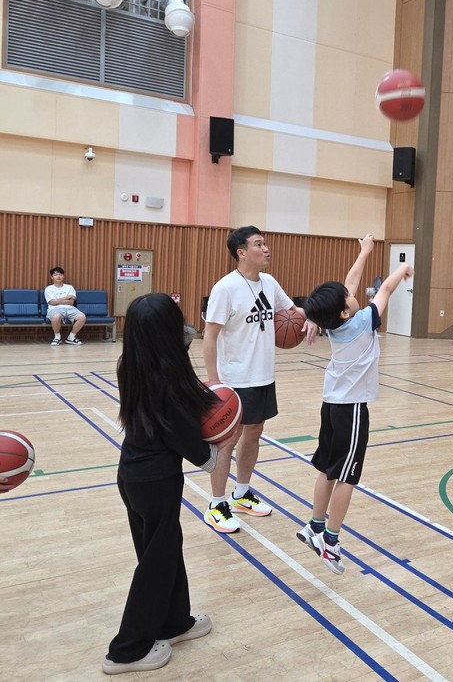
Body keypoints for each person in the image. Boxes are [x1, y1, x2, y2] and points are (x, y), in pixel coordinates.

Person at [104, 293, 239, 675]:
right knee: (156, 563)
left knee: (163, 550)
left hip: (132, 475)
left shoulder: (130, 364)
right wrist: (220, 447)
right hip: (157, 481)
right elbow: (192, 444)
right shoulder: (168, 380)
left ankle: (174, 621)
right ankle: (127, 651)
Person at [297, 234, 413, 574]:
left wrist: (364, 252)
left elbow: (350, 283)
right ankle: (331, 541)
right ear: (345, 310)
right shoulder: (363, 321)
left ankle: (315, 525)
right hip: (352, 410)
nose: (353, 292)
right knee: (347, 477)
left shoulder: (336, 324)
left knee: (327, 469)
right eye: (349, 296)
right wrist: (402, 269)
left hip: (331, 405)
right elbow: (386, 289)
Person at [202, 226, 315, 533]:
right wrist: (214, 382)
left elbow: (292, 311)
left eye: (265, 243)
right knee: (227, 441)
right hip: (235, 379)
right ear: (241, 252)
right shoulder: (225, 288)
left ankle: (241, 493)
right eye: (258, 244)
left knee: (254, 433)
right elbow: (209, 337)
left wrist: (311, 317)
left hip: (263, 376)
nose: (266, 249)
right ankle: (216, 504)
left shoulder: (269, 282)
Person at [44, 266, 87, 346]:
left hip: (69, 308)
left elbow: (71, 302)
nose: (58, 276)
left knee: (82, 317)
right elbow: (52, 302)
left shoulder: (69, 287)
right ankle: (57, 337)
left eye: (60, 274)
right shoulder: (49, 289)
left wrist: (58, 300)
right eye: (56, 275)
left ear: (63, 276)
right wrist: (67, 297)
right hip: (55, 308)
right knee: (56, 317)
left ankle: (71, 337)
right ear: (52, 277)